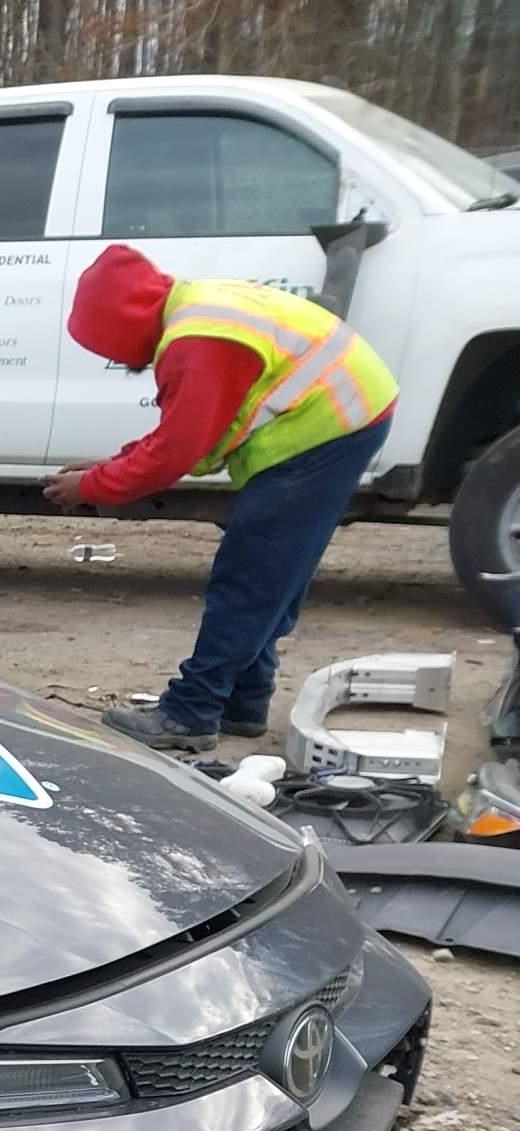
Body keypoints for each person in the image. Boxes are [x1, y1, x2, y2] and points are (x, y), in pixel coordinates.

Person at [46, 243, 398, 752]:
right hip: (346, 413)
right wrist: (107, 466)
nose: (116, 360)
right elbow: (191, 430)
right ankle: (243, 702)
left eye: (107, 347)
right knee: (271, 569)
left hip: (325, 427)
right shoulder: (195, 309)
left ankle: (191, 712)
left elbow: (177, 451)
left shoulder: (197, 345)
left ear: (121, 326)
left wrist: (94, 486)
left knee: (252, 574)